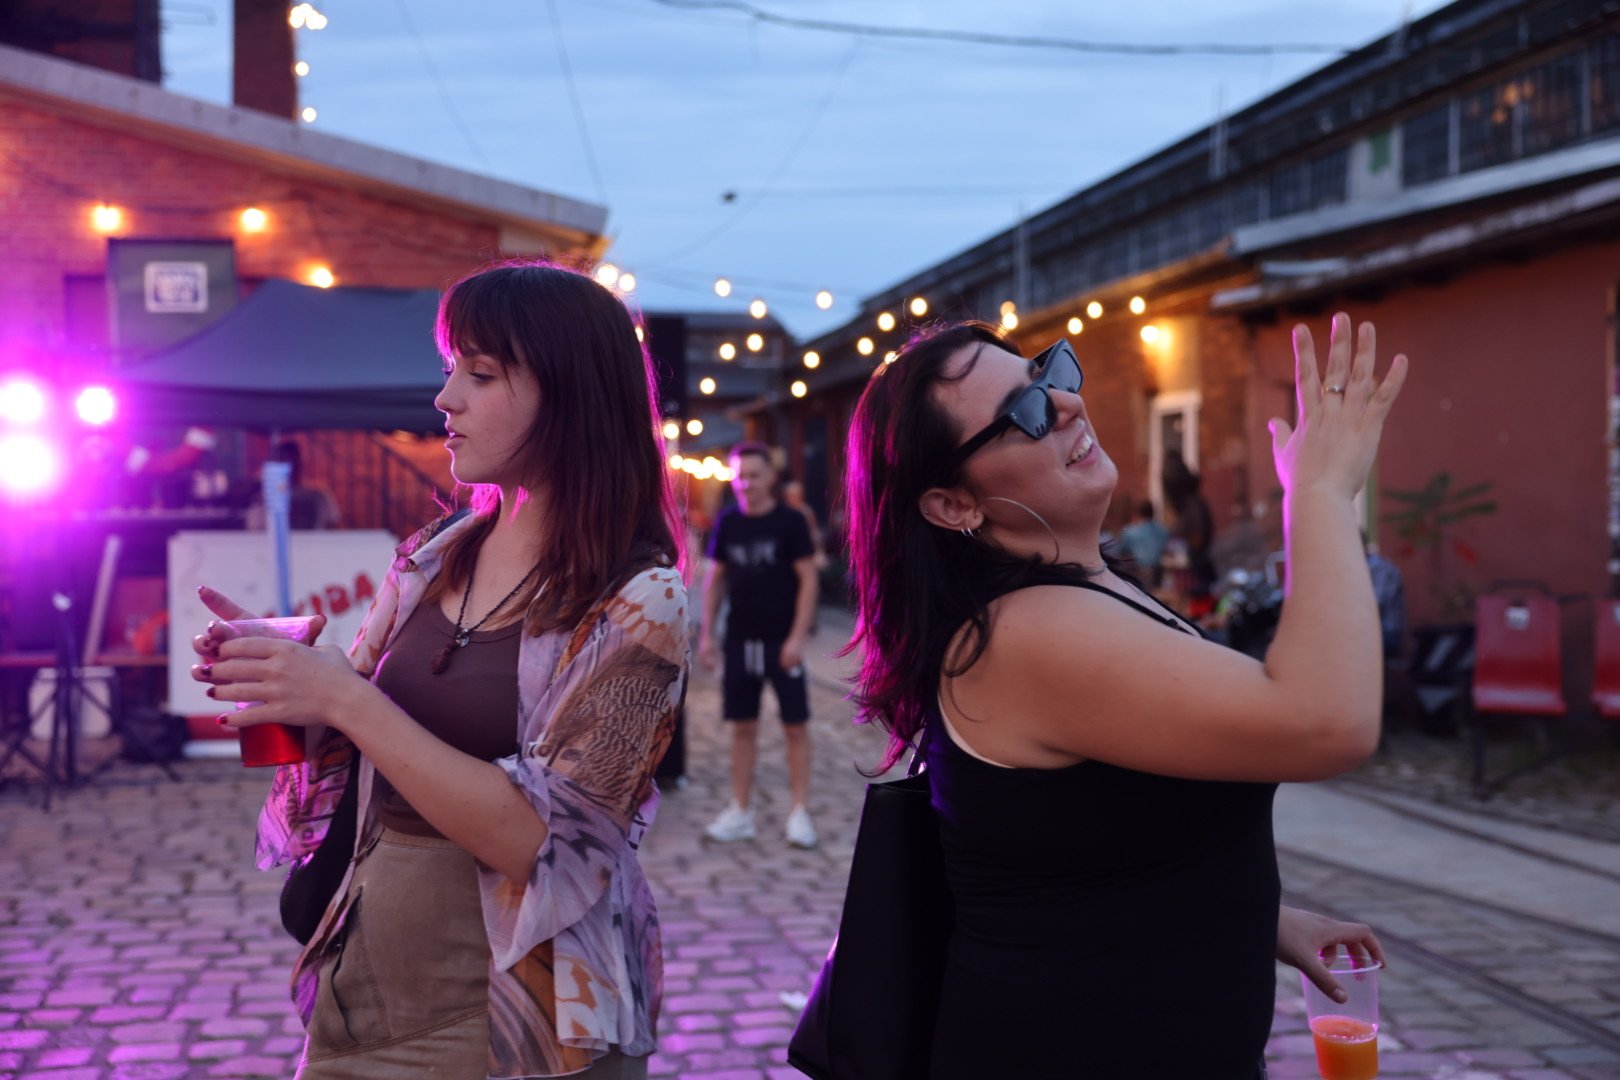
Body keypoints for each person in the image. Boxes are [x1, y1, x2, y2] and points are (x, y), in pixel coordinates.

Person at [841, 314, 1404, 1076]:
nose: (1067, 404)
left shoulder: (1087, 588)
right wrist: (1322, 494)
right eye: (1025, 412)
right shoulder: (1024, 633)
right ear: (954, 505)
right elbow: (1326, 720)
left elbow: (1089, 840)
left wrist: (1256, 915)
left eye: (1048, 373)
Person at [191, 261, 688, 1079]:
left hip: (515, 1012)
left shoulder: (639, 597)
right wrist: (287, 684)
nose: (445, 397)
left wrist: (346, 700)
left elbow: (544, 845)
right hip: (368, 972)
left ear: (570, 398)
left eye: (480, 374)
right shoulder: (437, 554)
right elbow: (357, 741)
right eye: (451, 367)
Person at [698, 443, 820, 848]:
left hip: (781, 640)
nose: (746, 483)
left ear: (770, 477)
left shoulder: (791, 521)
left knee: (795, 725)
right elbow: (715, 579)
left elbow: (808, 579)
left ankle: (800, 812)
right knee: (742, 726)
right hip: (740, 639)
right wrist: (707, 636)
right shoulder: (728, 521)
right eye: (740, 476)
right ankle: (740, 810)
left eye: (754, 475)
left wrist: (798, 637)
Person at [1163, 448, 1217, 613]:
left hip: (1193, 579)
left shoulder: (1193, 505)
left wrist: (1186, 554)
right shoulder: (1186, 506)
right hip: (1184, 579)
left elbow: (1198, 539)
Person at [243, 439, 342, 530]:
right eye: (282, 461)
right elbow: (253, 529)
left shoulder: (319, 495)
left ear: (300, 463)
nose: (289, 467)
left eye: (292, 461)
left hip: (315, 543)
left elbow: (333, 529)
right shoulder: (265, 497)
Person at [1117, 499, 1168, 586]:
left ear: (1139, 514)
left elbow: (1122, 550)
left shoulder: (1131, 531)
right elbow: (1165, 548)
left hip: (1138, 570)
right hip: (1158, 570)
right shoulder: (1162, 530)